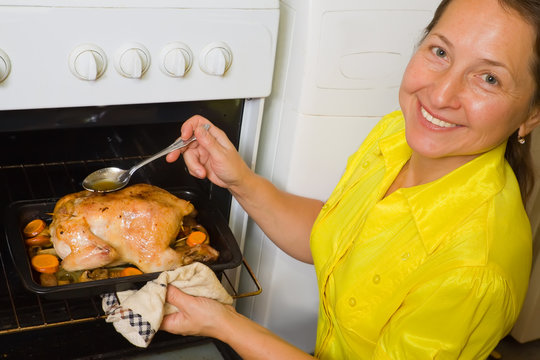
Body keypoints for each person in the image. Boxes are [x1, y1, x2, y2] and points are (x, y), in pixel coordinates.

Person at [161, 0, 540, 358]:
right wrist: (239, 180)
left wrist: (223, 324)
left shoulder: (474, 270)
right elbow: (333, 234)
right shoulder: (397, 134)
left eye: (489, 78)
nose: (441, 95)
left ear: (531, 114)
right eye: (440, 52)